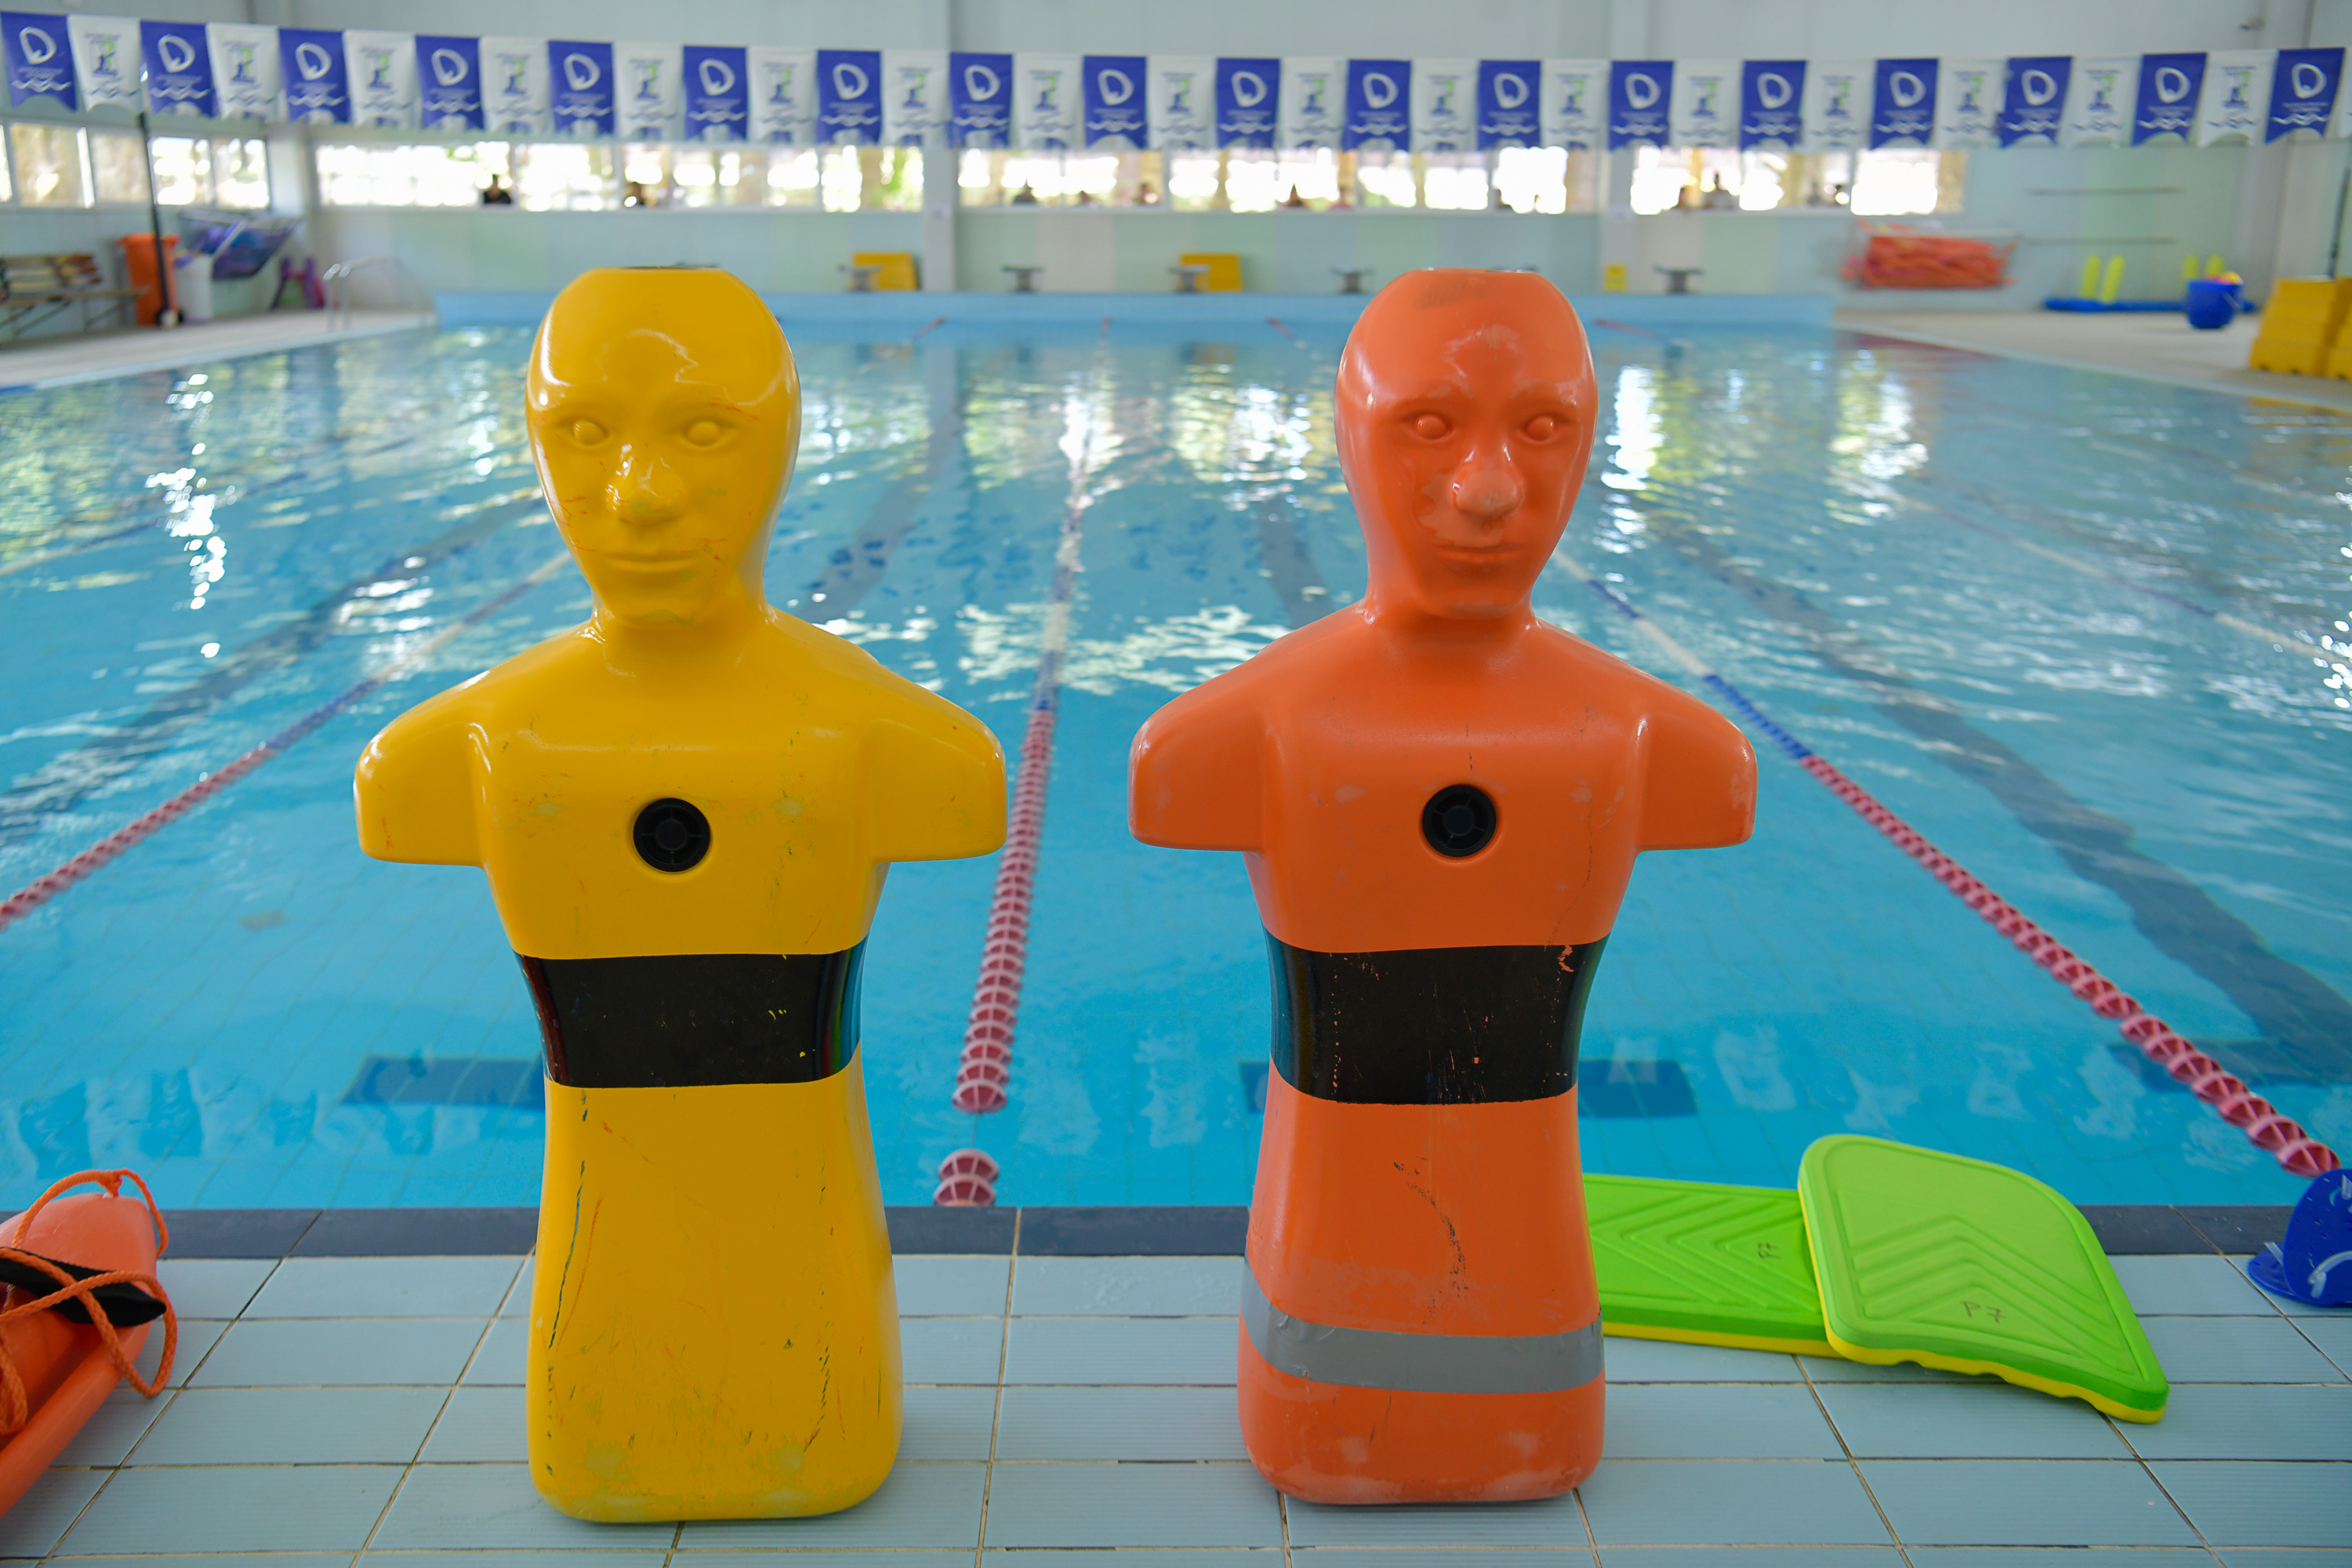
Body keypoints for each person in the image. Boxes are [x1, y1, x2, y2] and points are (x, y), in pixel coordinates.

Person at [354, 267, 1006, 1520]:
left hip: (819, 1361)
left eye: (704, 431)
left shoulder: (904, 744)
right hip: (606, 1348)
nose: (640, 496)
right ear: (531, 446)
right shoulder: (453, 752)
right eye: (582, 432)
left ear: (784, 445)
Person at [1129, 270, 1755, 1504]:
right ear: (1351, 441)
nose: (1488, 489)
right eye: (1427, 425)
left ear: (1590, 444)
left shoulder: (1664, 744)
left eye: (1544, 427)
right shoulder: (1230, 738)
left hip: (1538, 1382)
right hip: (1313, 1383)